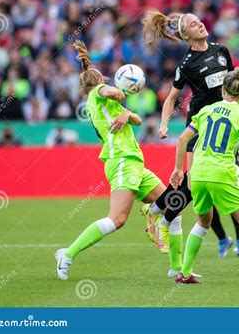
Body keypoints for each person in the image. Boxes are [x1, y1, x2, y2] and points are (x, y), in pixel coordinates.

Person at [140, 10, 239, 261]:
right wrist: (164, 124)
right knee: (191, 182)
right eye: (192, 23)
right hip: (200, 124)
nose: (200, 23)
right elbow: (171, 99)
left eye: (198, 20)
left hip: (224, 121)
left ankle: (157, 211)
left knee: (203, 182)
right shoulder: (187, 65)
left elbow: (236, 82)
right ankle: (160, 217)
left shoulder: (220, 50)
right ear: (185, 34)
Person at [54, 41, 169, 280]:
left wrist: (127, 113)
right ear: (99, 81)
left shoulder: (109, 105)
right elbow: (112, 91)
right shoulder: (98, 94)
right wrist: (120, 92)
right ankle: (67, 254)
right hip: (121, 160)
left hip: (135, 162)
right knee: (117, 219)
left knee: (171, 202)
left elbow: (137, 120)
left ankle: (153, 214)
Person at [170, 69, 239, 285]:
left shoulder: (207, 110)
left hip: (198, 173)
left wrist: (177, 169)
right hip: (222, 172)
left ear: (222, 90)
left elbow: (183, 138)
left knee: (202, 223)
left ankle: (184, 272)